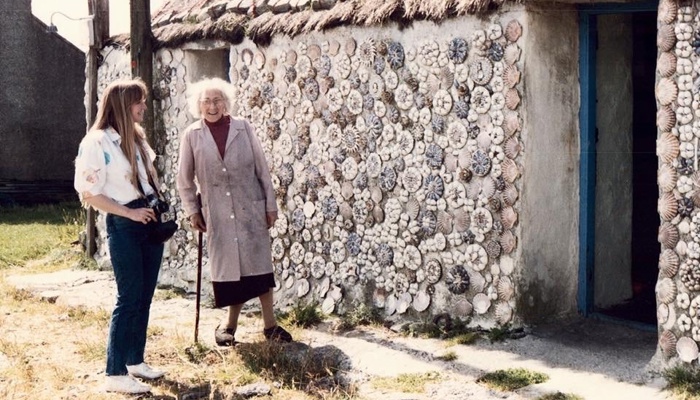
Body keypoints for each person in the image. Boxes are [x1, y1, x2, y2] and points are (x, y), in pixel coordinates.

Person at [177, 77, 292, 346]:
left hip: (249, 207)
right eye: (206, 101)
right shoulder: (192, 135)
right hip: (216, 212)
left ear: (226, 103)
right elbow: (184, 180)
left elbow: (262, 168)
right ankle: (228, 326)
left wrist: (270, 204)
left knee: (260, 268)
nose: (212, 106)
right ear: (199, 105)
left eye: (217, 100)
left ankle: (270, 325)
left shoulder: (243, 128)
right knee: (231, 272)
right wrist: (193, 211)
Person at [74, 79, 165, 394]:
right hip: (125, 223)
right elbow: (89, 193)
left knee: (145, 295)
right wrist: (130, 214)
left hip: (147, 219)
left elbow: (147, 179)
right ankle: (114, 371)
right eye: (138, 102)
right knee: (128, 297)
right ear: (124, 106)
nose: (143, 107)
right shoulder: (97, 142)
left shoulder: (136, 138)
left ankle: (134, 360)